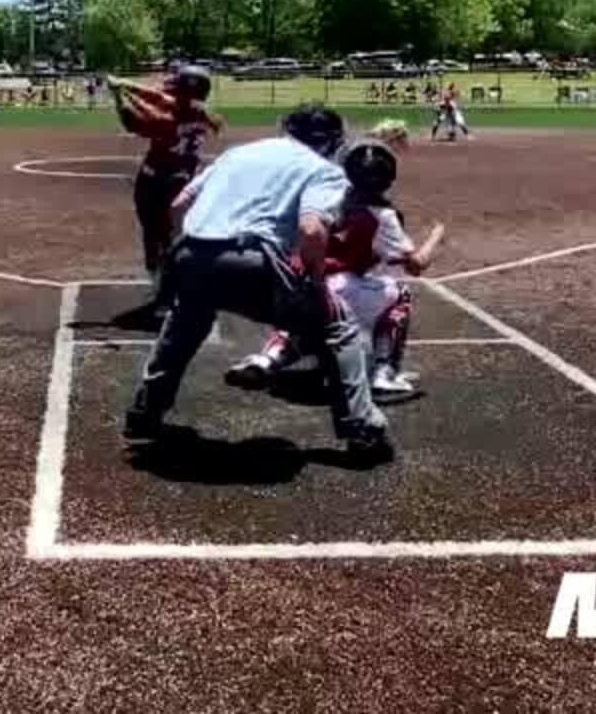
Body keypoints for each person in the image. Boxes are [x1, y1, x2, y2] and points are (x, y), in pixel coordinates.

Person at [122, 103, 395, 462]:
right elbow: (311, 229)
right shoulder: (324, 170)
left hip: (190, 253)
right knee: (338, 326)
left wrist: (178, 256)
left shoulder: (239, 153)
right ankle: (362, 428)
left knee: (186, 321)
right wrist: (314, 285)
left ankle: (144, 414)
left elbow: (178, 205)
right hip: (252, 260)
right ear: (330, 141)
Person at [227, 136, 445, 399]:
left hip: (294, 283)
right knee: (400, 293)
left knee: (306, 322)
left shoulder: (326, 197)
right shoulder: (382, 215)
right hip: (340, 289)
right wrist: (437, 236)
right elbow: (416, 265)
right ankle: (385, 373)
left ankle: (265, 361)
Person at [107, 66, 224, 317]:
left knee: (157, 239)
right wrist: (127, 83)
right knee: (174, 236)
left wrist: (118, 95)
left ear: (184, 94)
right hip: (183, 185)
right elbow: (161, 98)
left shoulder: (167, 121)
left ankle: (164, 294)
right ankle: (173, 288)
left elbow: (131, 119)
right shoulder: (202, 115)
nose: (171, 93)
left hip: (157, 186)